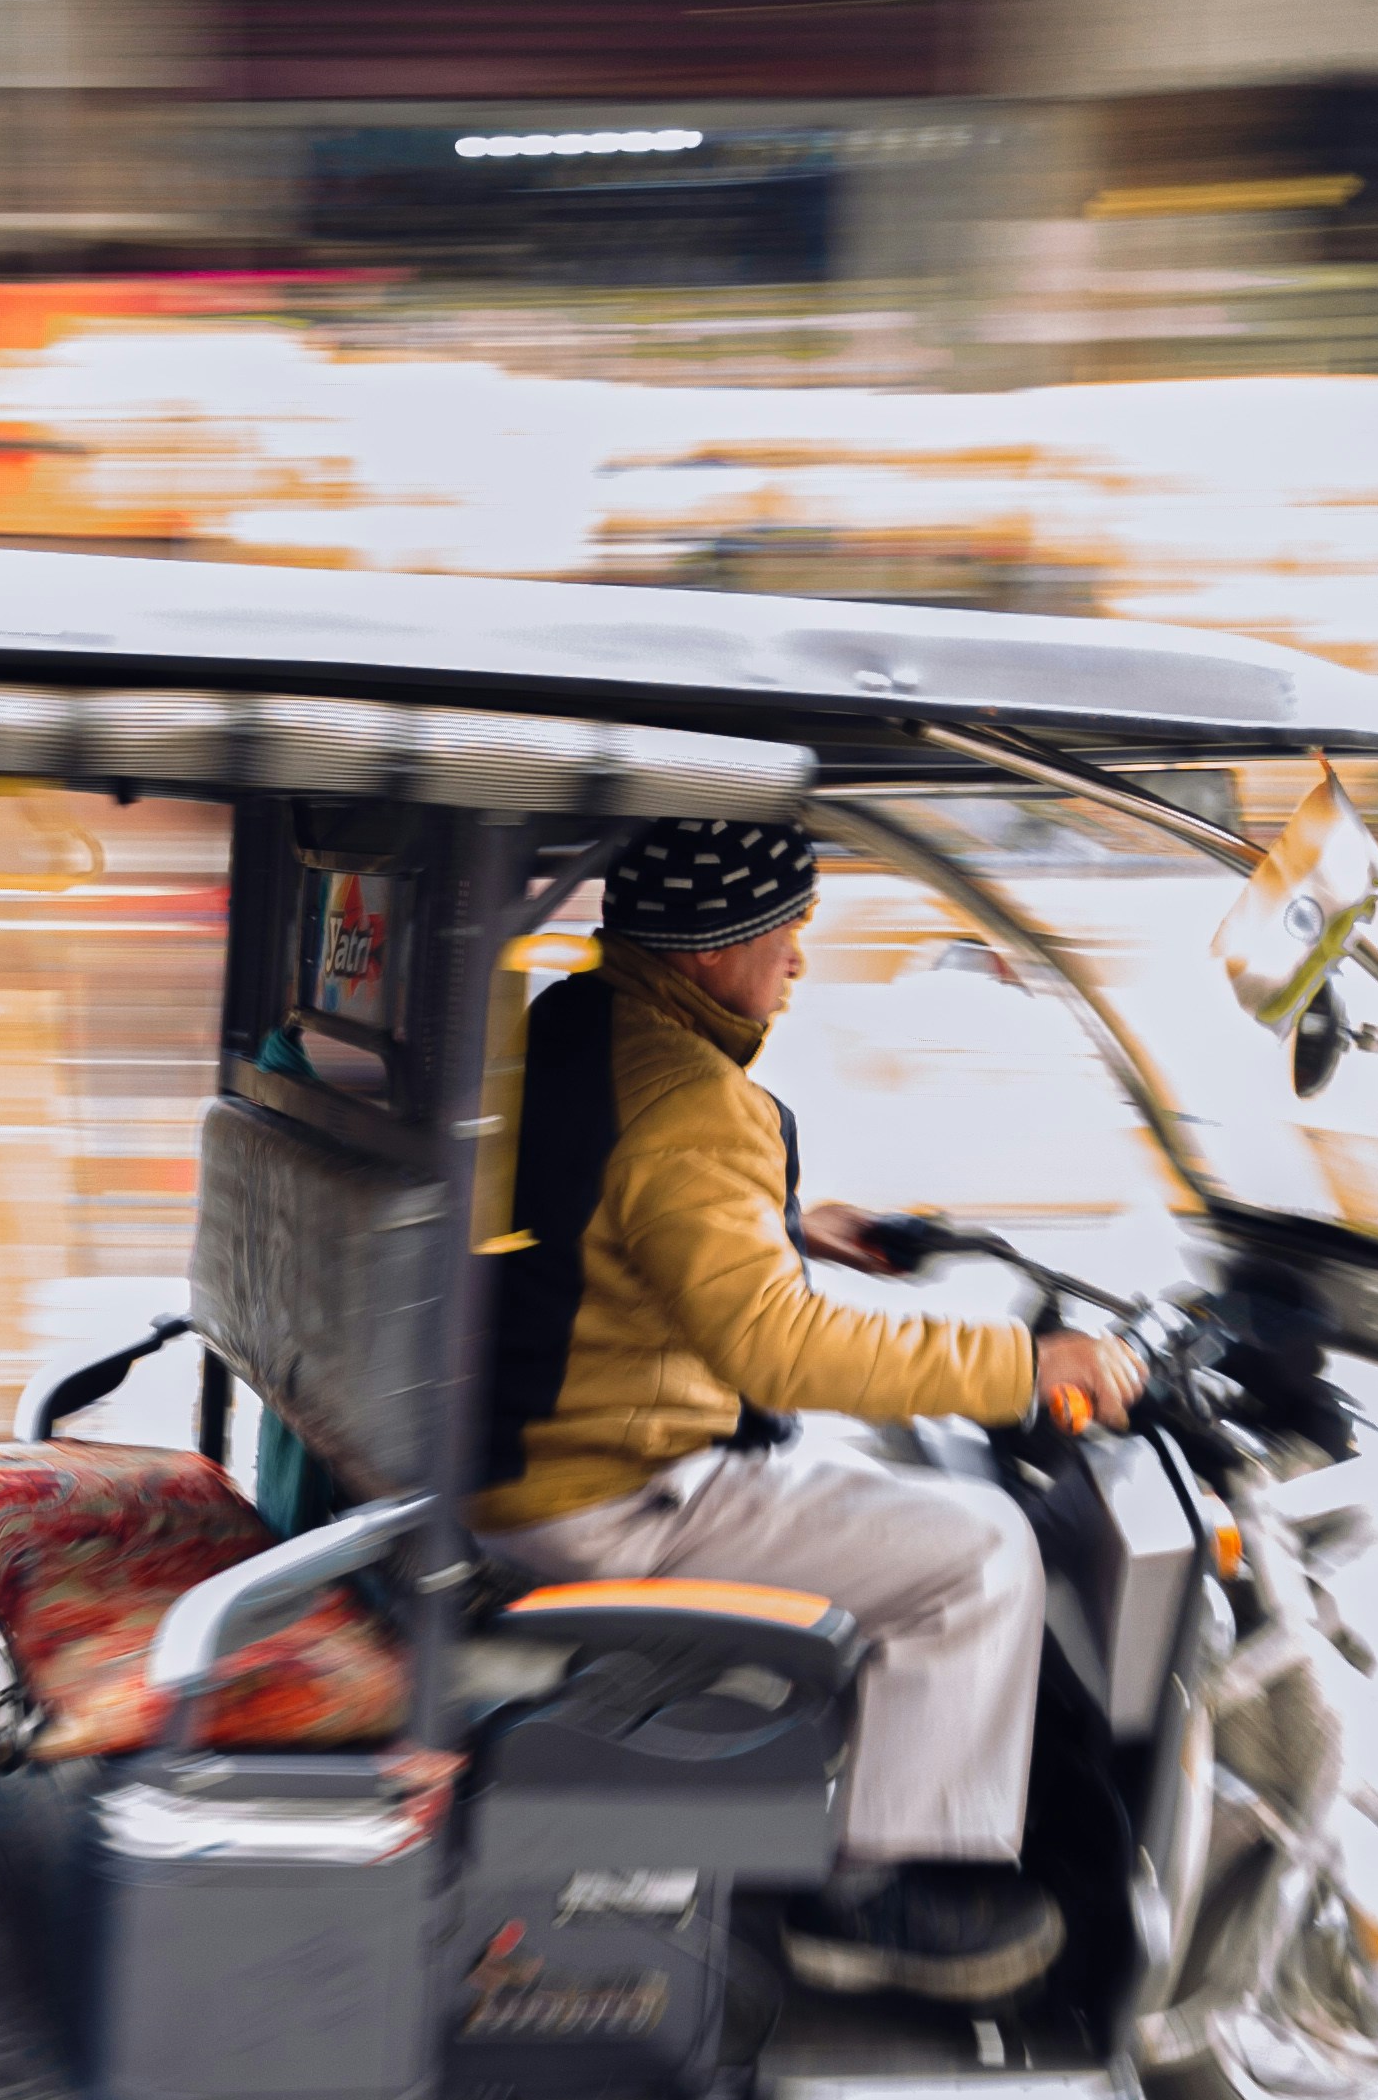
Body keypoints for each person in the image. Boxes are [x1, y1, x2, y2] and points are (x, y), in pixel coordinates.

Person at [473, 814, 1140, 2004]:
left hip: (537, 1450)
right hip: (607, 1496)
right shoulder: (695, 1106)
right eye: (781, 927)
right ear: (703, 946)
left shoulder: (580, 1022)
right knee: (983, 1551)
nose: (797, 955)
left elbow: (616, 1217)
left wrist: (786, 1223)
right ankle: (883, 1890)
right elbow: (777, 1350)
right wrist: (1024, 1370)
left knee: (871, 1463)